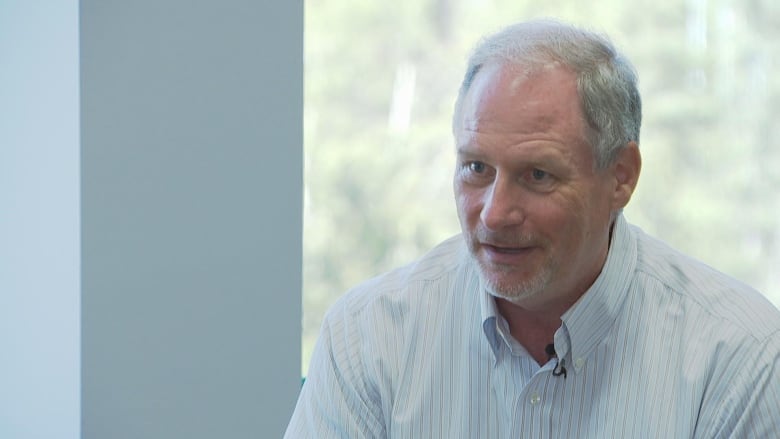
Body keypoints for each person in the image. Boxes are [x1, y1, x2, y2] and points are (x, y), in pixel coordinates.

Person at [285, 19, 780, 438]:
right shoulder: (368, 339)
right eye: (476, 168)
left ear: (620, 177)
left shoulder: (737, 356)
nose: (495, 214)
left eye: (538, 175)